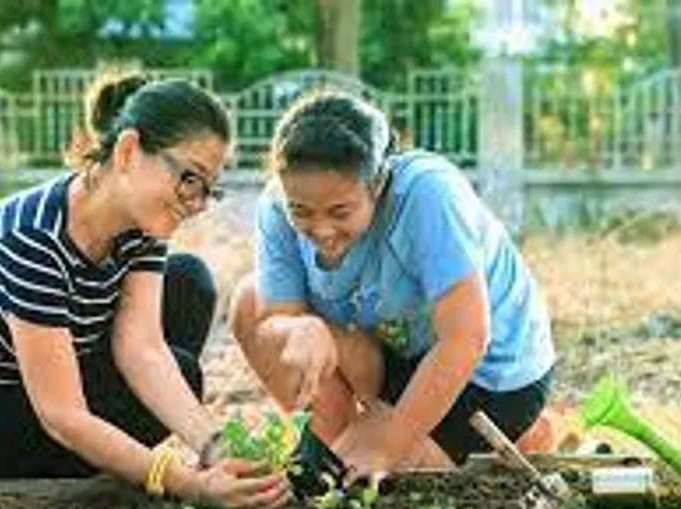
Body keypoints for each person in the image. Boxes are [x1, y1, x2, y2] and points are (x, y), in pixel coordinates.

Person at [0, 72, 290, 509]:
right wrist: (186, 484)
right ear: (128, 151)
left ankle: (108, 458)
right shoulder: (33, 241)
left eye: (209, 190)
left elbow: (144, 351)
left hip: (23, 385)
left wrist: (216, 448)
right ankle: (105, 463)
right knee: (180, 374)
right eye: (190, 179)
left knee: (187, 284)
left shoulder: (141, 227)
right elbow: (63, 415)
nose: (197, 204)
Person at [229, 91, 556, 480]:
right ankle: (340, 433)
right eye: (301, 211)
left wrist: (388, 447)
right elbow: (280, 324)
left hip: (486, 373)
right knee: (249, 301)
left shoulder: (427, 193)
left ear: (379, 184)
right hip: (396, 349)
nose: (321, 230)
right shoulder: (277, 206)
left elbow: (466, 338)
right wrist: (302, 328)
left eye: (339, 211)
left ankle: (522, 432)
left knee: (374, 476)